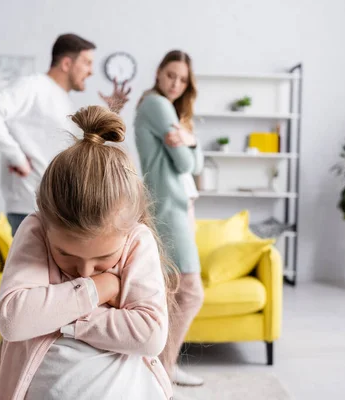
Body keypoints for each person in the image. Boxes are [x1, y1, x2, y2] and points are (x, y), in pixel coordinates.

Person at [0, 106, 178, 400]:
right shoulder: (37, 229)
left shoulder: (136, 240)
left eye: (103, 261)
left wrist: (58, 318)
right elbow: (14, 320)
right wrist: (98, 288)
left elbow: (150, 334)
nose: (84, 272)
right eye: (65, 255)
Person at [0, 33, 131, 235]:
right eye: (87, 63)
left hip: (55, 208)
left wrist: (112, 110)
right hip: (30, 209)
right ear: (66, 63)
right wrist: (16, 157)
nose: (90, 72)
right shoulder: (34, 86)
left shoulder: (63, 99)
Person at [134, 50, 205, 387]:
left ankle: (157, 365)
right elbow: (188, 165)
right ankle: (165, 366)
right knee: (190, 290)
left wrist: (189, 140)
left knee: (171, 290)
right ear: (159, 73)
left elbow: (198, 161)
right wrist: (191, 145)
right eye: (170, 75)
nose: (175, 83)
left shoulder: (172, 111)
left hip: (175, 206)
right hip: (168, 207)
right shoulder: (156, 105)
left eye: (182, 79)